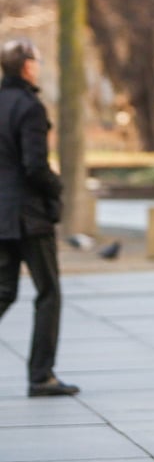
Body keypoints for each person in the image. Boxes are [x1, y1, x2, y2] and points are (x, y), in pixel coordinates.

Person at [0, 39, 79, 398]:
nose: (41, 66)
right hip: (30, 215)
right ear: (26, 67)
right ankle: (41, 375)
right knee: (48, 292)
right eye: (38, 60)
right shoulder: (30, 107)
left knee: (3, 291)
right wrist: (56, 186)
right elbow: (34, 166)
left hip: (2, 214)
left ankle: (41, 374)